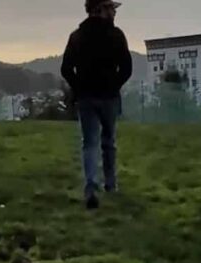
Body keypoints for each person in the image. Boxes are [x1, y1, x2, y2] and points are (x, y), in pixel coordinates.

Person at [61, 0, 132, 210]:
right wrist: (114, 85)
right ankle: (111, 184)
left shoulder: (76, 36)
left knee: (89, 143)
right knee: (108, 141)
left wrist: (78, 87)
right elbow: (127, 68)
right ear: (100, 9)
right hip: (109, 97)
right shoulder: (117, 35)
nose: (114, 12)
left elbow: (66, 68)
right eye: (111, 8)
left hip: (86, 98)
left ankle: (91, 187)